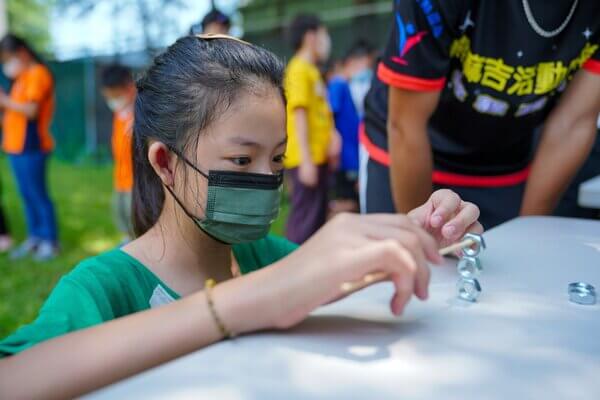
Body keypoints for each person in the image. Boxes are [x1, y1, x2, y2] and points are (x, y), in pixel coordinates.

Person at [0, 35, 481, 399]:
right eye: (240, 161)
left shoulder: (265, 255)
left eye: (276, 159)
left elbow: (347, 278)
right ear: (165, 163)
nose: (265, 178)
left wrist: (424, 234)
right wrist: (238, 304)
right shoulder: (100, 288)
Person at [360, 0, 600, 229]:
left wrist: (528, 230)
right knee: (414, 263)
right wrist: (422, 241)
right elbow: (406, 124)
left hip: (505, 160)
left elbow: (574, 122)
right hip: (409, 149)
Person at [0, 34, 58, 260]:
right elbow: (13, 115)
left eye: (8, 58)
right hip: (15, 147)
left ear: (22, 53)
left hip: (32, 146)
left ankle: (50, 241)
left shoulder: (38, 74)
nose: (7, 64)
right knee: (26, 194)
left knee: (38, 194)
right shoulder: (22, 78)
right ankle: (36, 237)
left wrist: (4, 101)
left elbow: (31, 111)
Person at [284, 14, 339, 244]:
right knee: (304, 221)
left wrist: (333, 137)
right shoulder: (298, 70)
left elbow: (320, 114)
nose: (326, 41)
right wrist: (306, 160)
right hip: (305, 159)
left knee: (316, 219)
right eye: (323, 34)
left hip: (318, 158)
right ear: (310, 36)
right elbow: (299, 114)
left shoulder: (312, 71)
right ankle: (293, 265)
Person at [100, 64, 136, 242]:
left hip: (137, 181)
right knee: (119, 211)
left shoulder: (141, 113)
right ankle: (128, 239)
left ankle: (138, 243)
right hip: (121, 177)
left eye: (115, 95)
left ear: (129, 87)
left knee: (135, 215)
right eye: (109, 96)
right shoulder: (120, 114)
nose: (113, 101)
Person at [327, 50, 362, 213]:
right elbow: (331, 111)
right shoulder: (338, 84)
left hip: (351, 154)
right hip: (345, 156)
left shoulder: (343, 85)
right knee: (348, 200)